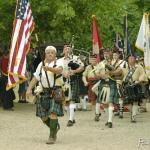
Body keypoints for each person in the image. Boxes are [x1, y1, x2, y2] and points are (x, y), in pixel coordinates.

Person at [26, 46, 64, 144]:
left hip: (56, 91)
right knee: (43, 117)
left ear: (55, 54)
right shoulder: (40, 64)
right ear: (45, 54)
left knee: (53, 113)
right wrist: (29, 89)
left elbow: (59, 70)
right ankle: (55, 127)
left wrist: (49, 68)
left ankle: (52, 137)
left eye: (52, 52)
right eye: (48, 52)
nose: (50, 54)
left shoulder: (58, 62)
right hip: (43, 92)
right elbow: (35, 78)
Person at [95, 48, 122, 128]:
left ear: (110, 54)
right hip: (103, 83)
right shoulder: (100, 63)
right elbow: (96, 74)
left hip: (112, 82)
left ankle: (110, 121)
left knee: (110, 102)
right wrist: (101, 76)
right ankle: (108, 119)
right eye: (104, 53)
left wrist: (110, 72)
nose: (106, 55)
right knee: (104, 103)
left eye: (107, 53)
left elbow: (120, 71)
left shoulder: (115, 62)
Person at [61, 45, 84, 127]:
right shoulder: (60, 60)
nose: (67, 50)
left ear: (71, 50)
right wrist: (63, 73)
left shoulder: (76, 58)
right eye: (65, 49)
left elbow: (82, 67)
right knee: (65, 101)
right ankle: (72, 116)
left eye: (68, 49)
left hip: (74, 80)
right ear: (63, 51)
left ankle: (70, 119)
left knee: (72, 99)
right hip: (63, 81)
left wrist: (74, 71)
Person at [122, 55, 148, 122]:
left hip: (136, 85)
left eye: (132, 58)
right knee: (128, 102)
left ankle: (133, 116)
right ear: (127, 59)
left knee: (135, 101)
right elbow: (122, 75)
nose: (130, 59)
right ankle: (132, 112)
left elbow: (143, 74)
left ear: (134, 59)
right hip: (126, 86)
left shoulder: (139, 67)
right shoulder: (125, 67)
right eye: (129, 58)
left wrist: (139, 80)